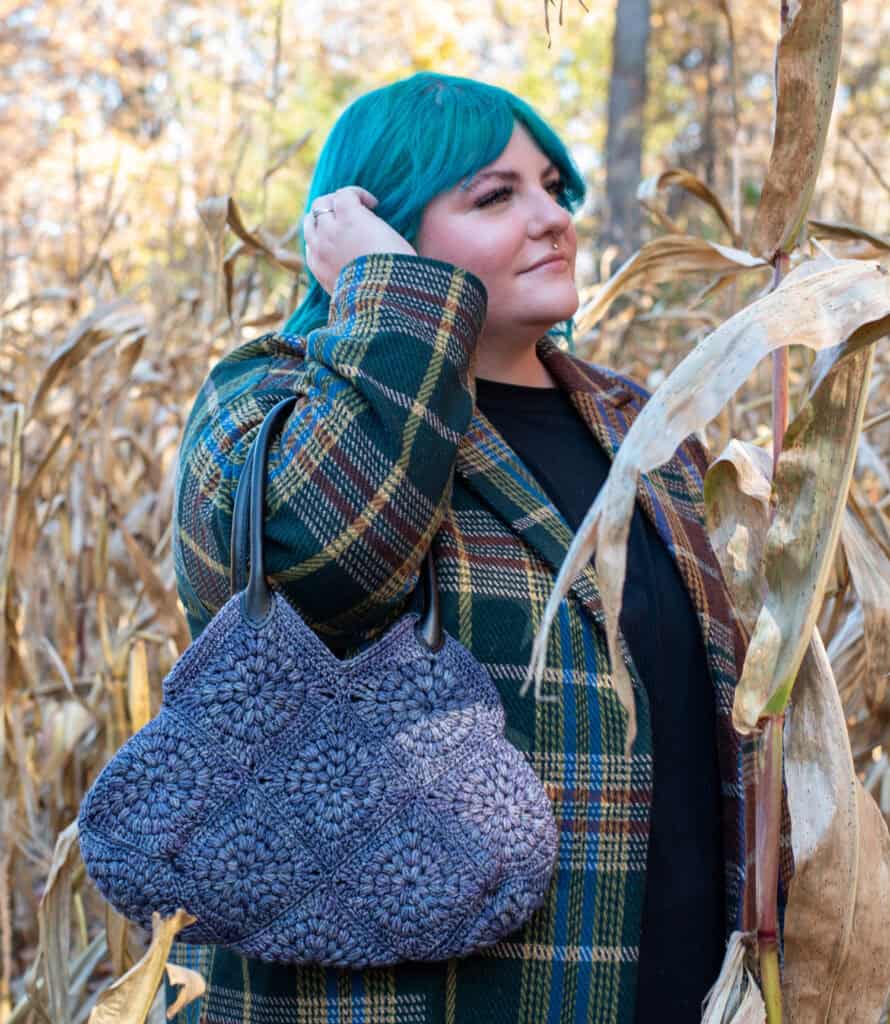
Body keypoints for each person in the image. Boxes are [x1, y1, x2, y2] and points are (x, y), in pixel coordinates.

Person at [170, 72, 788, 1024]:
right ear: (376, 229)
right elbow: (324, 565)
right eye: (496, 196)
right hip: (423, 998)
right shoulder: (267, 405)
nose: (552, 218)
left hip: (675, 988)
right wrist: (400, 306)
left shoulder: (644, 429)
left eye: (553, 186)